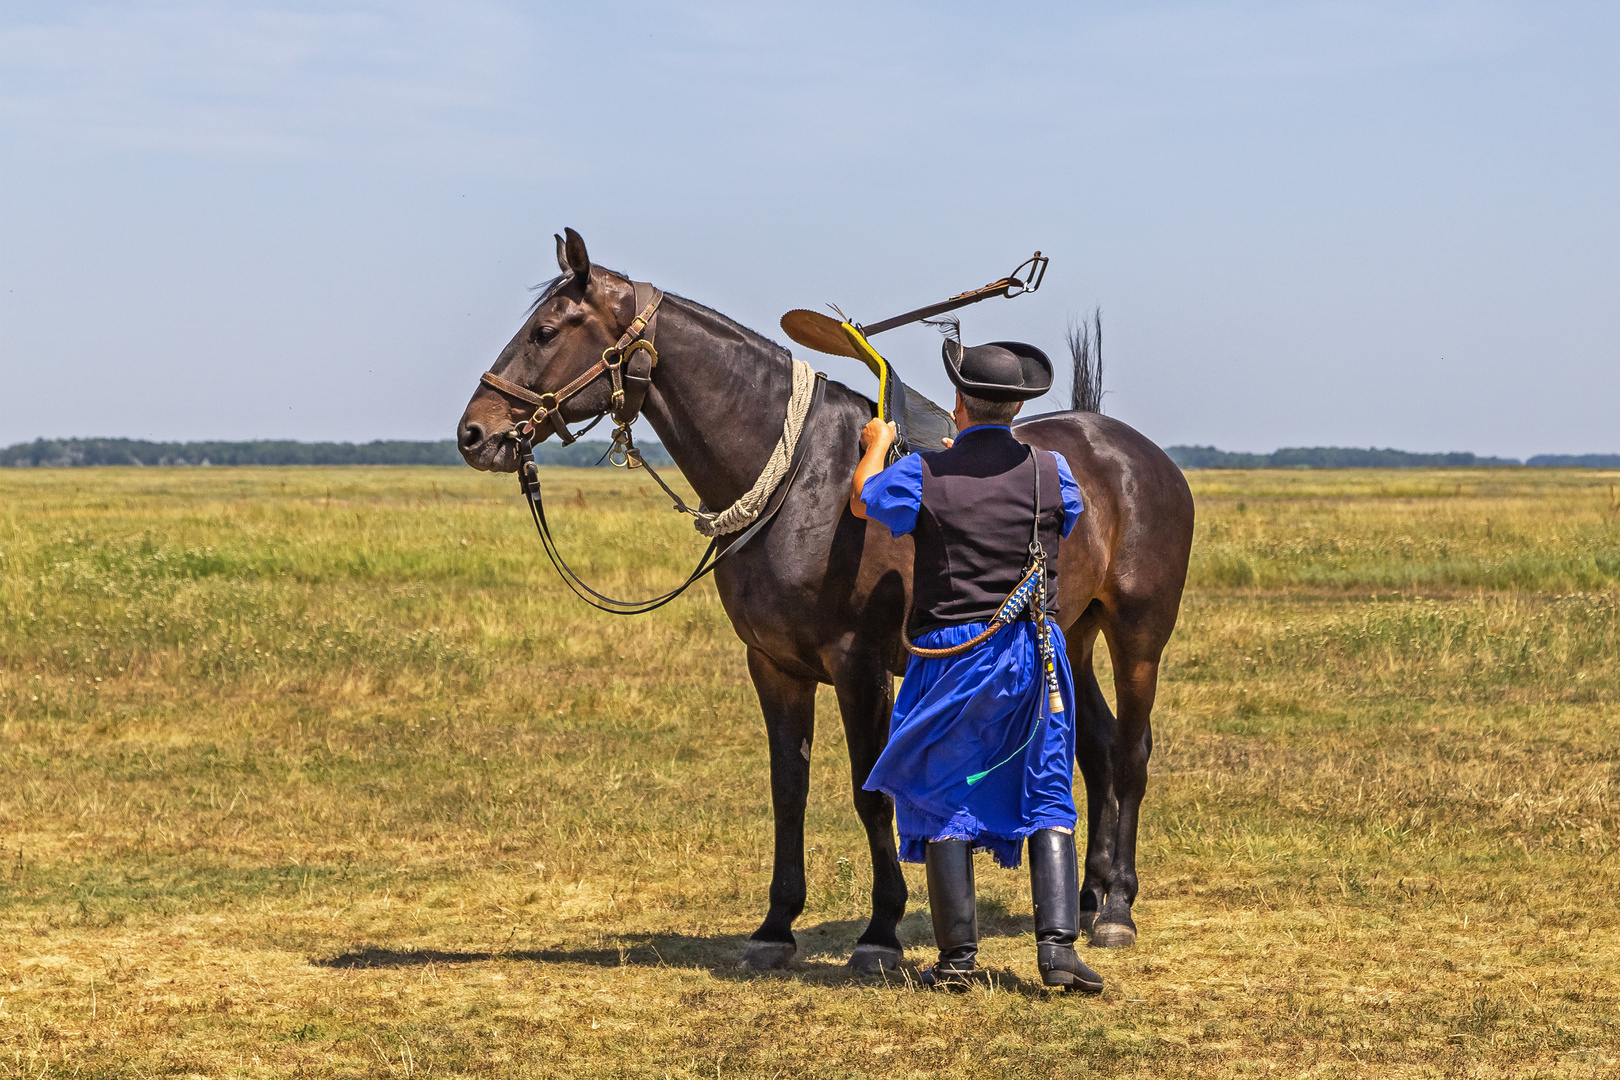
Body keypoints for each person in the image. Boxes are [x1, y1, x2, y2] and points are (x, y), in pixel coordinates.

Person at [849, 336, 1102, 993]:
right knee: (1047, 791)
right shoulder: (1054, 472)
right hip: (1036, 656)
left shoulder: (921, 473)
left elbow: (864, 503)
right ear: (1017, 406)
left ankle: (957, 961)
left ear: (959, 403)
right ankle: (1058, 953)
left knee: (940, 797)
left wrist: (876, 445)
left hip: (952, 662)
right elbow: (1068, 522)